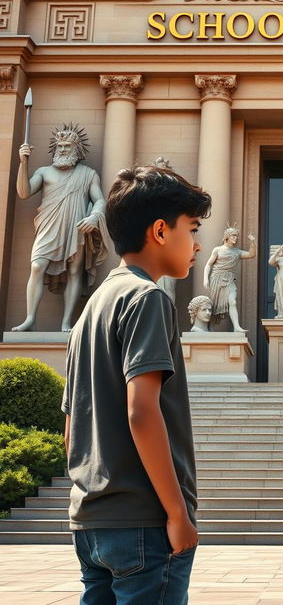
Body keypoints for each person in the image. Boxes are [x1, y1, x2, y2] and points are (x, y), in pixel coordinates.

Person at [62, 165, 211, 604]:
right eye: (193, 228)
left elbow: (72, 429)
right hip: (146, 525)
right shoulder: (148, 299)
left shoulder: (90, 312)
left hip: (91, 524)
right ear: (161, 231)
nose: (198, 243)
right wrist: (177, 512)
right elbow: (141, 410)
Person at [12, 123, 111, 332]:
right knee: (37, 266)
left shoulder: (88, 174)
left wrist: (94, 216)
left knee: (75, 272)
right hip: (49, 223)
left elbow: (100, 200)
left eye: (67, 146)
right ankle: (30, 319)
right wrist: (23, 162)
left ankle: (66, 322)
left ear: (77, 150)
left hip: (76, 227)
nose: (63, 149)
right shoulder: (44, 172)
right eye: (60, 146)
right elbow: (24, 192)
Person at [203, 226, 256, 332]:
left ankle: (236, 327)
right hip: (217, 278)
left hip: (230, 279)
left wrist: (252, 242)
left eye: (236, 236)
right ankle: (207, 327)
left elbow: (251, 254)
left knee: (232, 301)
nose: (235, 238)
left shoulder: (237, 252)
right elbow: (208, 265)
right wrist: (205, 278)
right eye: (233, 235)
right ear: (227, 236)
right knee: (214, 304)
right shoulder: (217, 250)